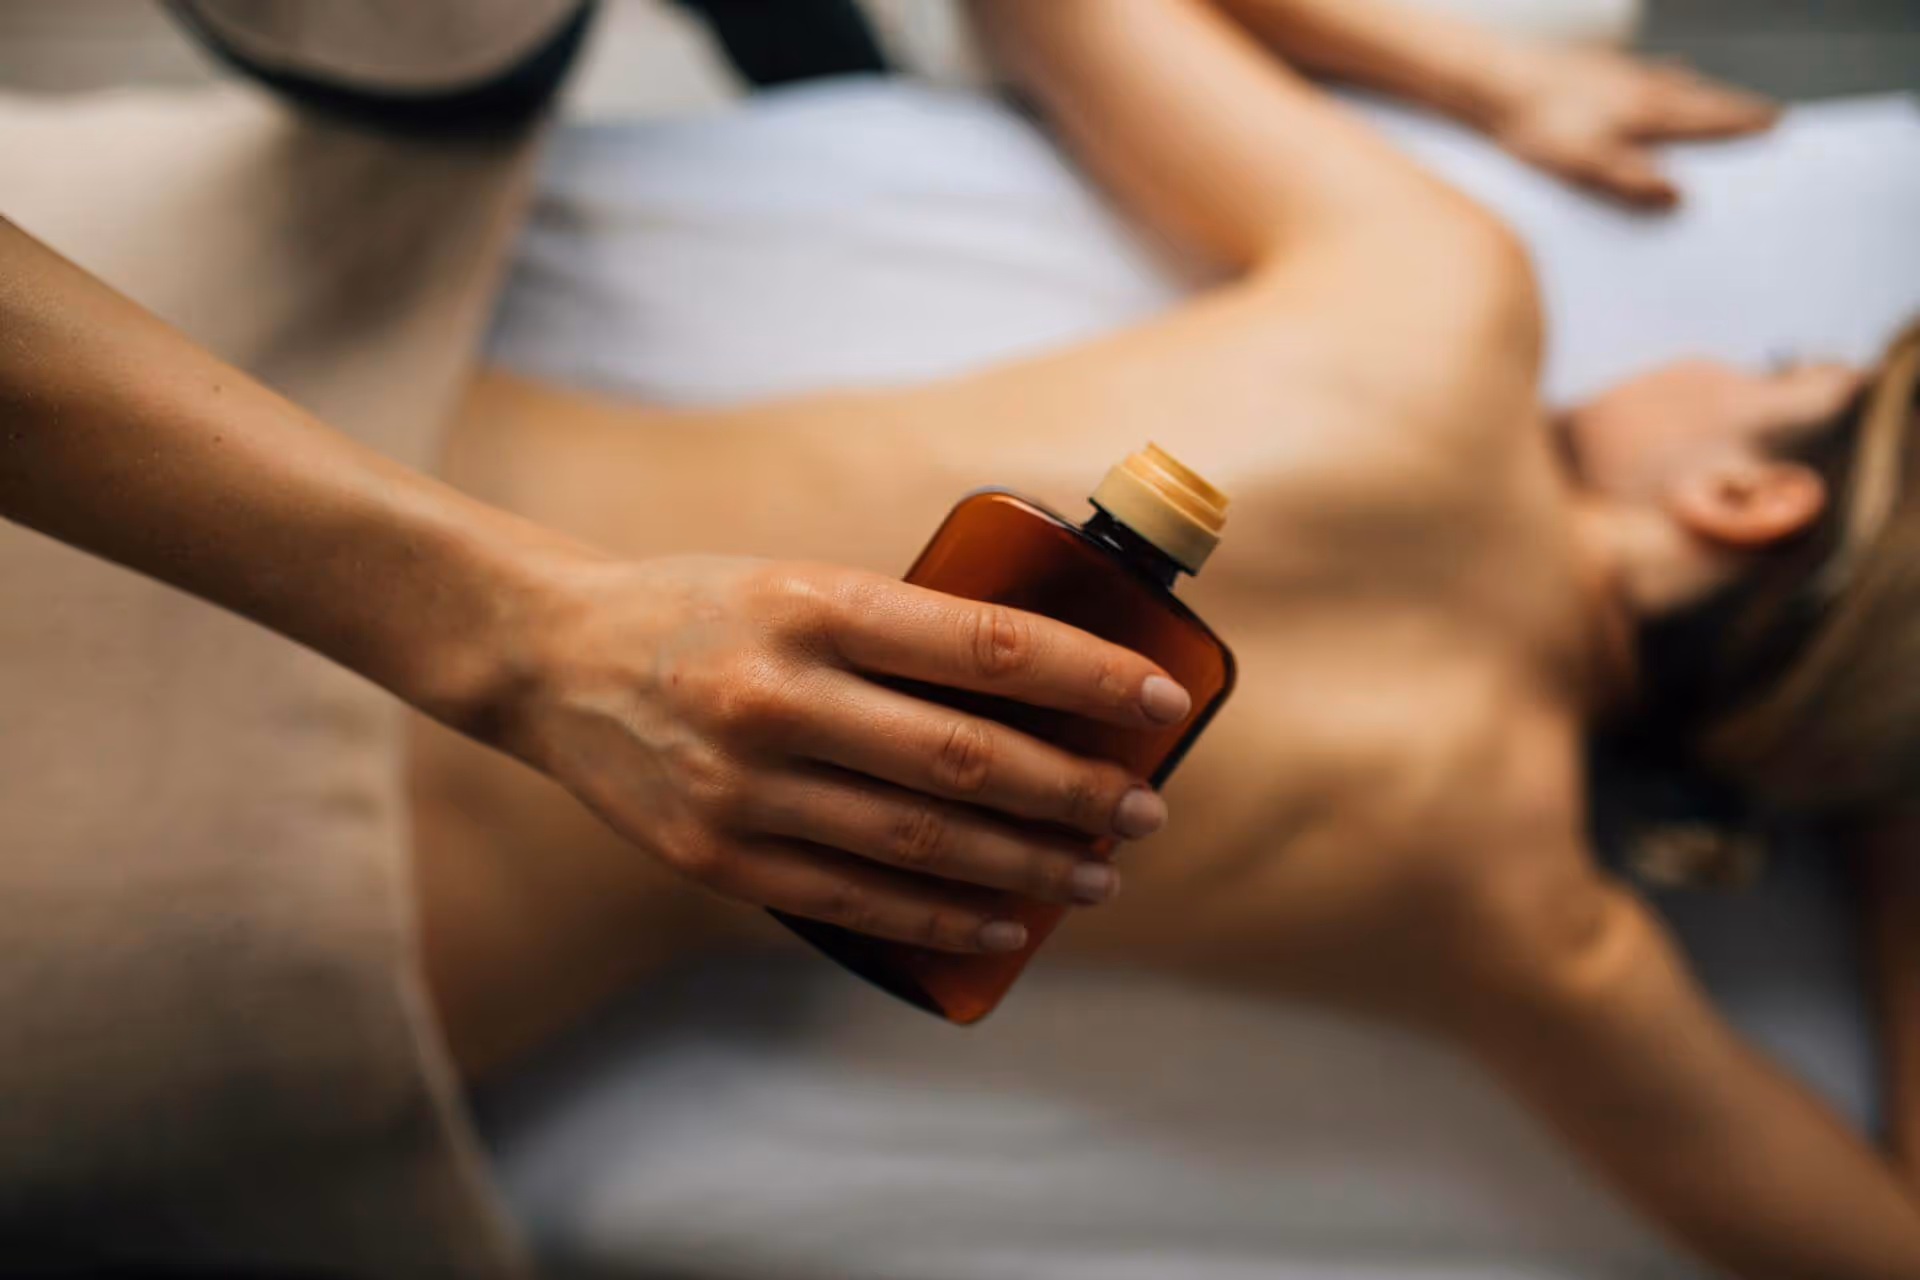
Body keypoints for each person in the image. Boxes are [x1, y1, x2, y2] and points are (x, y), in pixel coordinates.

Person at [403, 2, 1920, 1276]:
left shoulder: (1442, 315)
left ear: (1748, 494)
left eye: (1782, 368)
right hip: (367, 933)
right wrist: (1889, 788)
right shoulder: (1539, 931)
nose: (1722, 353)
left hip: (370, 519)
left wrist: (1485, 76)